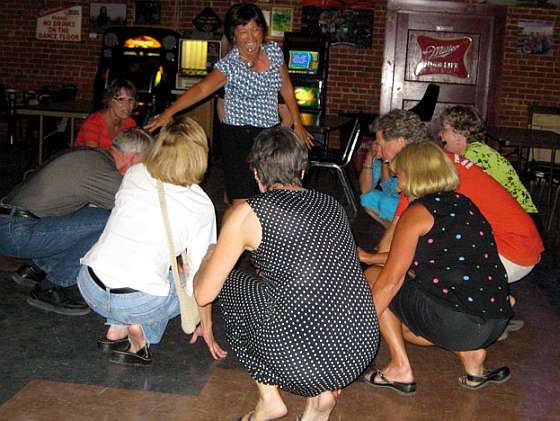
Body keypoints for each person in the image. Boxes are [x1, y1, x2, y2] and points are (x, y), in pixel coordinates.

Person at [194, 127, 378, 421]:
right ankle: (321, 393)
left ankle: (269, 400)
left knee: (230, 284)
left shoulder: (249, 212)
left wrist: (206, 260)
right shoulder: (333, 206)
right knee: (298, 294)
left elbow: (204, 294)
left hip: (301, 364)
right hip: (358, 349)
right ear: (303, 170)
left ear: (256, 172)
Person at [363, 141, 512, 395]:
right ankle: (470, 355)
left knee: (374, 278)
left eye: (399, 175)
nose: (396, 184)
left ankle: (400, 368)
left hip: (459, 321)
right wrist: (368, 255)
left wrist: (353, 329)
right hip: (496, 319)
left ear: (414, 174)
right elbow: (425, 256)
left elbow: (390, 281)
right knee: (407, 325)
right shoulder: (465, 204)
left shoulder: (418, 212)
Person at [77, 116, 226, 366]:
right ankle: (142, 336)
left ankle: (117, 327)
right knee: (180, 277)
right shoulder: (201, 204)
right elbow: (202, 277)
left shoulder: (135, 173)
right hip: (138, 300)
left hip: (90, 284)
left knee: (140, 258)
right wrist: (205, 324)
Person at [145, 3, 313, 205]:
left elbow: (286, 88)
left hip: (268, 136)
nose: (251, 38)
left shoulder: (274, 54)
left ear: (262, 30)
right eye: (243, 32)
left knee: (268, 197)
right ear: (233, 35)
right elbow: (201, 90)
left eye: (255, 29)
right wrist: (168, 113)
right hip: (238, 137)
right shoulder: (229, 65)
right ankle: (232, 235)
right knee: (241, 201)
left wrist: (298, 123)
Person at [0, 128, 152, 315]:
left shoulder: (92, 157)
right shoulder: (101, 172)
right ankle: (53, 287)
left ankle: (37, 268)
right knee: (109, 222)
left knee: (92, 216)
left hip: (13, 223)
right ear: (134, 158)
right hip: (16, 232)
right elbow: (137, 209)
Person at [439, 105, 538, 217]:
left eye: (444, 130)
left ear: (459, 134)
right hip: (516, 216)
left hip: (521, 219)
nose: (440, 135)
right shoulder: (476, 151)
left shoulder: (474, 156)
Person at [75, 79, 137, 149]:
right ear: (110, 101)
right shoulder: (93, 123)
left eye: (130, 100)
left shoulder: (130, 123)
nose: (127, 105)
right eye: (121, 99)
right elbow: (94, 156)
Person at [359, 141, 399, 228]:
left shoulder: (404, 159)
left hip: (408, 204)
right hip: (391, 204)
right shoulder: (378, 163)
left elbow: (388, 189)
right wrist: (369, 156)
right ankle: (393, 229)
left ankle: (395, 231)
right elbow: (365, 190)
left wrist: (385, 160)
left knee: (386, 202)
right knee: (366, 198)